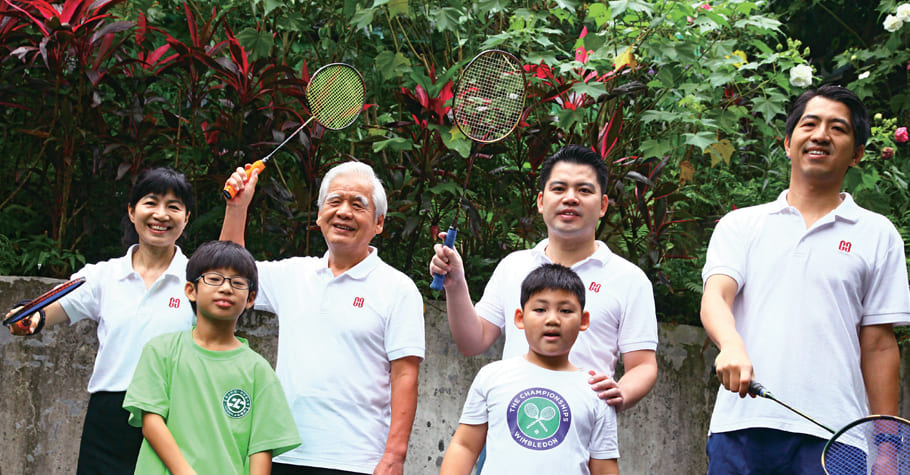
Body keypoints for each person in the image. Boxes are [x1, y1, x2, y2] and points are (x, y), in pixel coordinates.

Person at [702, 85, 910, 473]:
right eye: (810, 124)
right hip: (741, 426)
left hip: (836, 436)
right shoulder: (741, 225)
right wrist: (730, 345)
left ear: (858, 153)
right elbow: (717, 295)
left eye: (838, 128)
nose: (820, 135)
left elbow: (880, 346)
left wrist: (886, 445)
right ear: (787, 143)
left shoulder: (878, 234)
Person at [220, 161, 425, 475]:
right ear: (319, 214)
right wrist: (237, 208)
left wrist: (395, 456)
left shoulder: (398, 289)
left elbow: (405, 377)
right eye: (335, 201)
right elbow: (228, 276)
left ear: (379, 222)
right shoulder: (293, 274)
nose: (344, 212)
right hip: (283, 453)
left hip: (356, 461)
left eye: (358, 205)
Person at [429, 144, 658, 411]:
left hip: (583, 434)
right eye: (559, 189)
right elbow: (472, 341)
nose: (570, 198)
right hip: (507, 430)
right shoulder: (514, 266)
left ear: (603, 205)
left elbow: (642, 365)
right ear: (540, 201)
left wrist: (621, 392)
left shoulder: (629, 279)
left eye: (584, 190)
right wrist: (455, 284)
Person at [5, 167, 197, 474]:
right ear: (132, 211)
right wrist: (28, 318)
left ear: (186, 218)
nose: (161, 214)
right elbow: (45, 311)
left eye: (173, 206)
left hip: (172, 416)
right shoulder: (101, 276)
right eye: (151, 202)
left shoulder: (197, 280)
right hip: (108, 418)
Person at [122, 240, 301, 474]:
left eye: (238, 283)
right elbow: (152, 423)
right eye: (214, 279)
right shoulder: (161, 351)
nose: (226, 288)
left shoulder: (258, 370)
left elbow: (261, 448)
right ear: (191, 290)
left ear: (250, 299)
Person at [440, 263, 619, 475]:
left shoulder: (597, 392)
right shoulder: (492, 377)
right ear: (520, 318)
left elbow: (604, 467)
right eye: (540, 309)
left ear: (584, 320)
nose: (552, 319)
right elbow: (464, 446)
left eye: (565, 310)